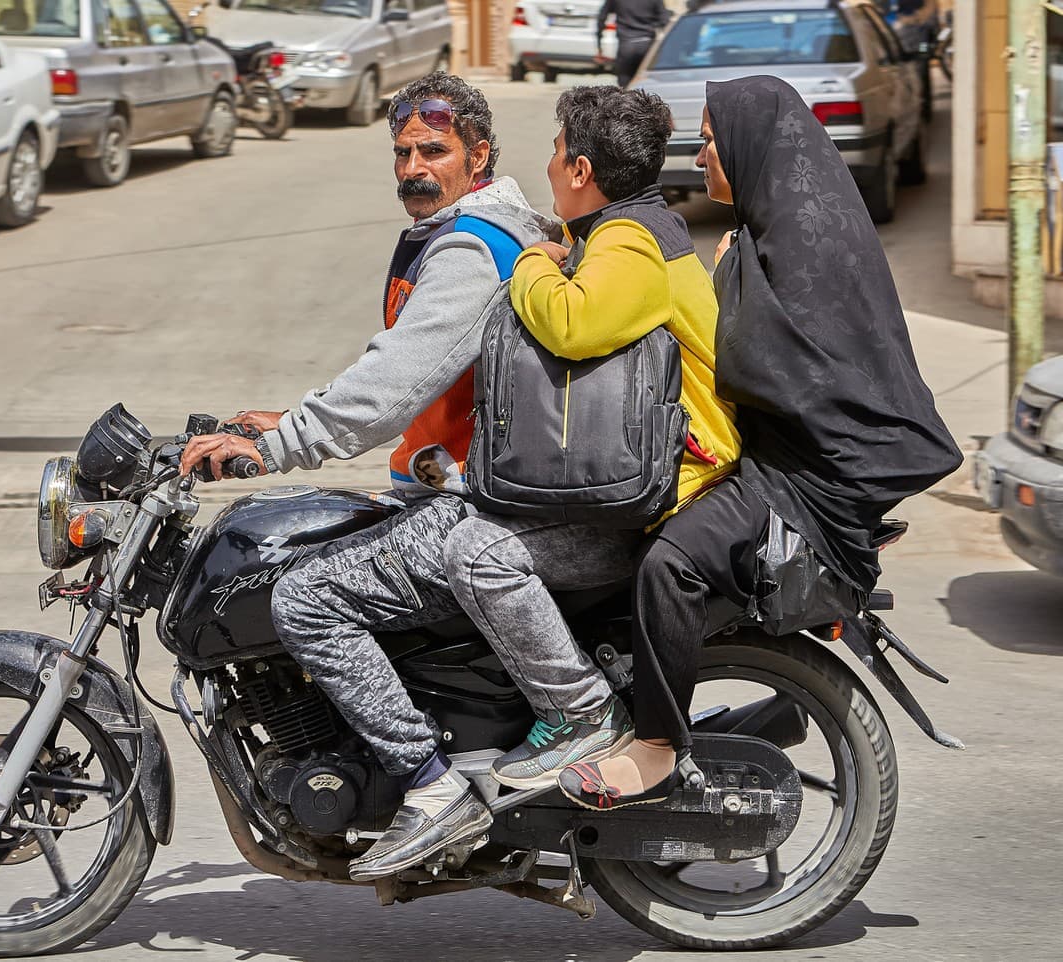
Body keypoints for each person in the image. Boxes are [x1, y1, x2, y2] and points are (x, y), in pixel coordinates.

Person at [180, 74, 553, 880]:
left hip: (460, 498)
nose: (414, 166)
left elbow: (389, 390)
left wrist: (275, 450)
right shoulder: (457, 232)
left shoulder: (472, 247)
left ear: (479, 155)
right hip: (433, 481)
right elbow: (399, 375)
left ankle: (429, 784)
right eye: (403, 151)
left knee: (303, 596)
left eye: (435, 150)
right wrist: (284, 419)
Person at [557, 76, 963, 810]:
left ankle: (655, 747)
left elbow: (762, 367)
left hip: (811, 479)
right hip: (782, 460)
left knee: (670, 565)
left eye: (712, 141)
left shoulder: (806, 245)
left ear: (750, 151)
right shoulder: (766, 230)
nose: (702, 154)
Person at [443, 85, 741, 791]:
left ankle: (578, 715)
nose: (547, 164)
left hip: (675, 481)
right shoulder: (624, 229)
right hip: (641, 469)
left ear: (581, 172)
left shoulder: (633, 242)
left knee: (476, 553)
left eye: (554, 151)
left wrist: (531, 262)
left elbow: (574, 324)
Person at [597, 0, 671, 88]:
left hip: (626, 46)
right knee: (648, 84)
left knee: (624, 85)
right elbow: (664, 21)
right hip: (647, 46)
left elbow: (602, 17)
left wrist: (599, 43)